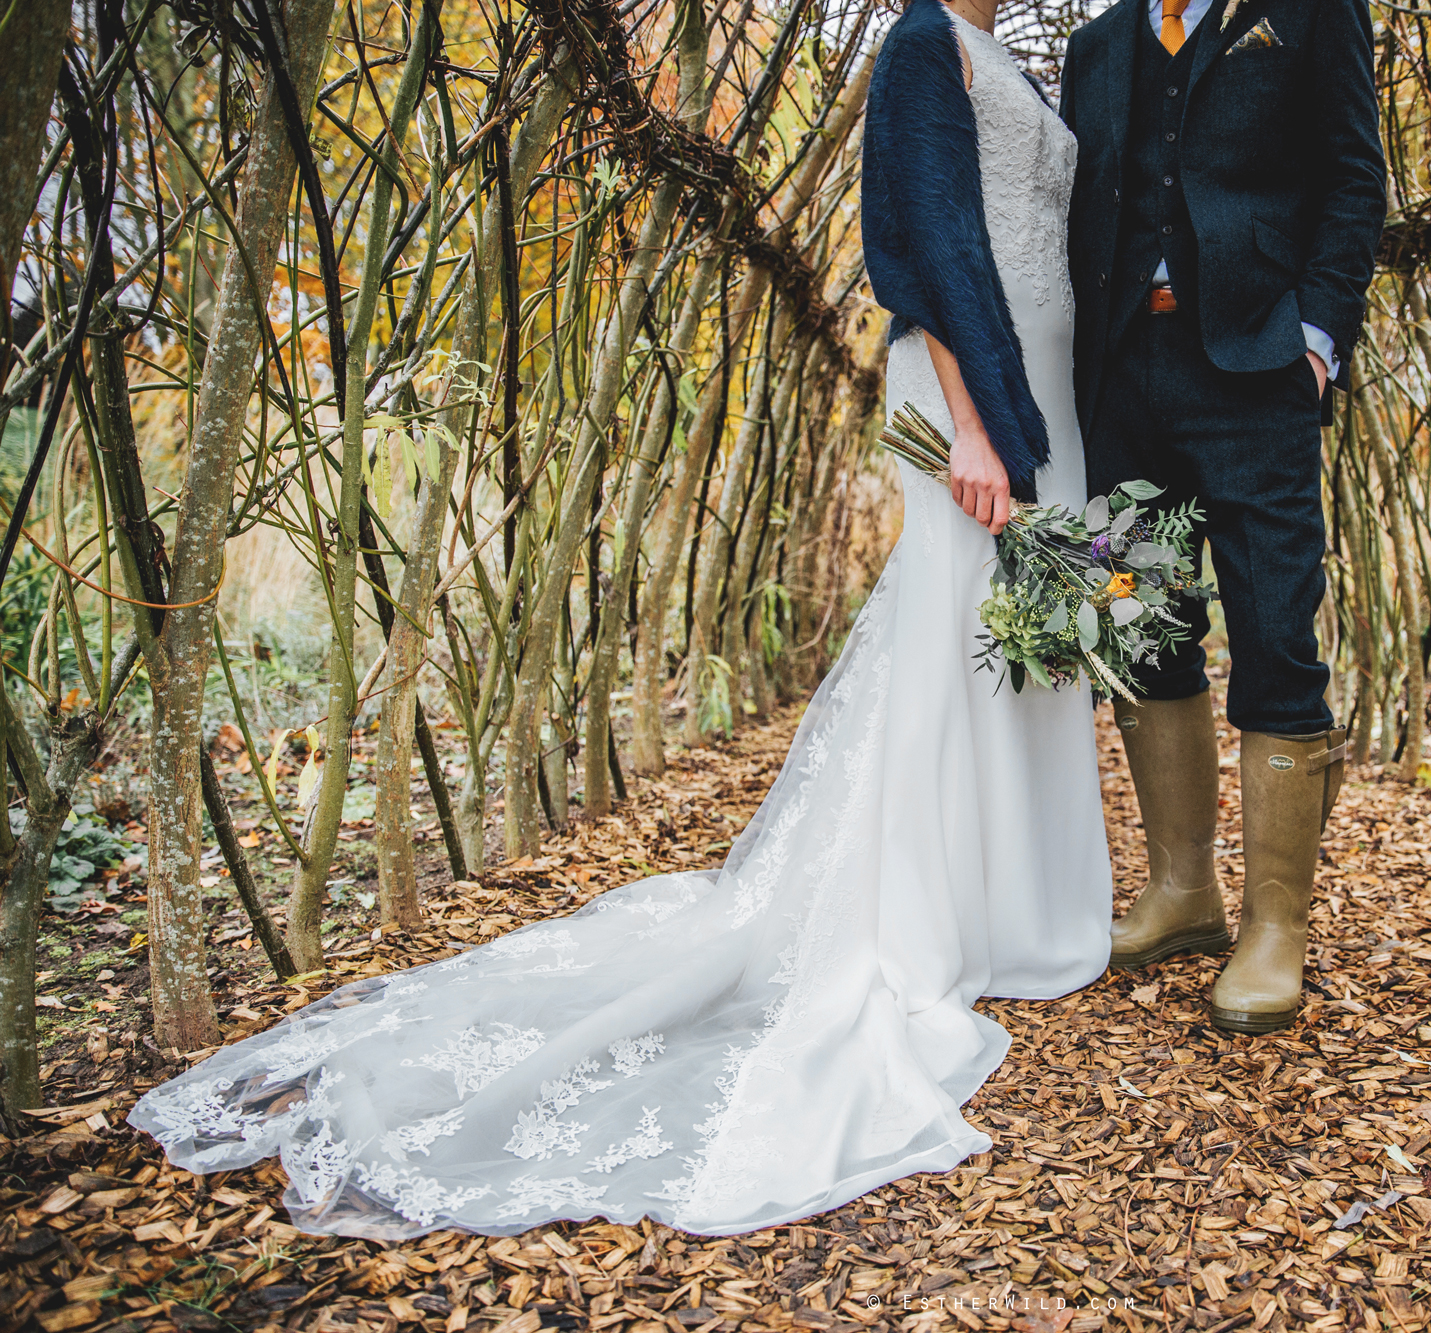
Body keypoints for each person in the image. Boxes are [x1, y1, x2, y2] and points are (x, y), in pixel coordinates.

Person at [130, 0, 1111, 1238]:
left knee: (1020, 639)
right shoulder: (920, 44)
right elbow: (918, 247)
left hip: (1052, 377)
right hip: (978, 387)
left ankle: (1017, 907)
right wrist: (972, 425)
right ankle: (927, 920)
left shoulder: (1012, 57)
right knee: (954, 628)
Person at [1059, 0, 1386, 1033]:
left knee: (1278, 631)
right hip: (1121, 380)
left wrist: (1317, 339)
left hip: (1253, 377)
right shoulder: (1097, 46)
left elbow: (1351, 177)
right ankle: (1182, 893)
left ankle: (1276, 925)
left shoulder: (1310, 12)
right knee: (1148, 634)